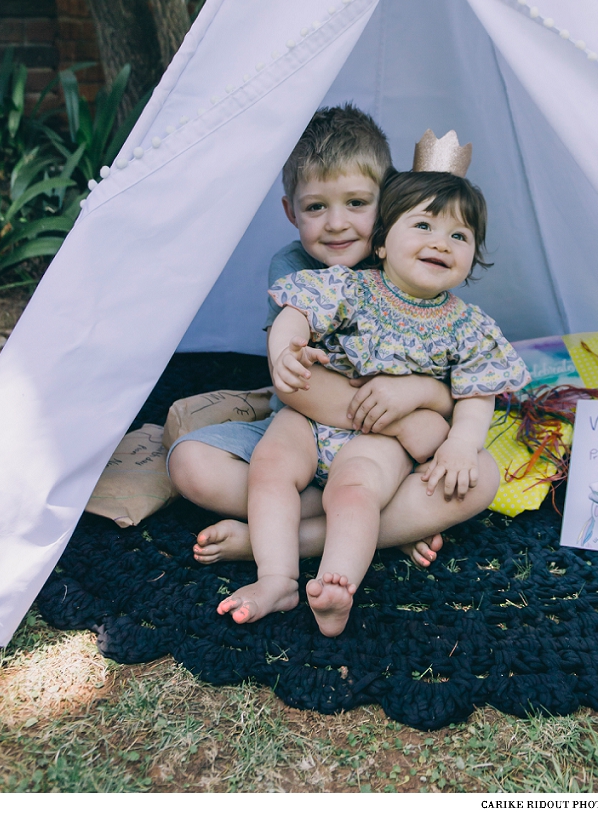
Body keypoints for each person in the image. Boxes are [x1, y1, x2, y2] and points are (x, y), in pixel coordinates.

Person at [168, 107, 497, 570]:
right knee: (191, 464)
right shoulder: (295, 269)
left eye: (357, 204)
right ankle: (383, 525)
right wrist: (401, 421)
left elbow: (461, 389)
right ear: (291, 211)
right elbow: (297, 384)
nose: (337, 223)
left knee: (480, 478)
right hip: (302, 432)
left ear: (389, 203)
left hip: (385, 460)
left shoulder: (413, 267)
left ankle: (290, 537)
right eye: (316, 207)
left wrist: (416, 392)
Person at [218, 170, 529, 635]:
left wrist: (463, 444)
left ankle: (336, 584)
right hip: (312, 420)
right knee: (270, 467)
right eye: (424, 226)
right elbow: (297, 311)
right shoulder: (351, 287)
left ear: (472, 258)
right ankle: (277, 579)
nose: (441, 242)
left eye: (459, 235)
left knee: (355, 489)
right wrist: (289, 348)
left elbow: (477, 391)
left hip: (378, 438)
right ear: (381, 243)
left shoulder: (468, 325)